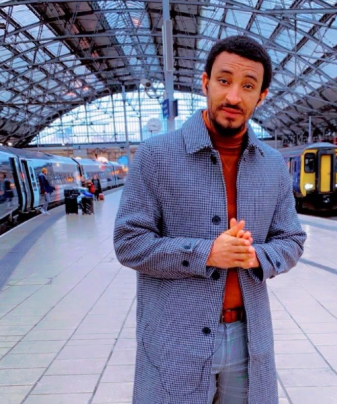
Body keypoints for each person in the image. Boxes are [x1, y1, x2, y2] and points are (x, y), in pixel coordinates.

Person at [114, 35, 306, 404]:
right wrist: (206, 253)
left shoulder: (272, 165)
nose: (233, 96)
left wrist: (256, 256)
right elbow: (129, 242)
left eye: (247, 86)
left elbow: (292, 239)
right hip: (174, 339)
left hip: (249, 338)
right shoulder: (155, 156)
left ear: (262, 96)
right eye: (223, 80)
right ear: (205, 83)